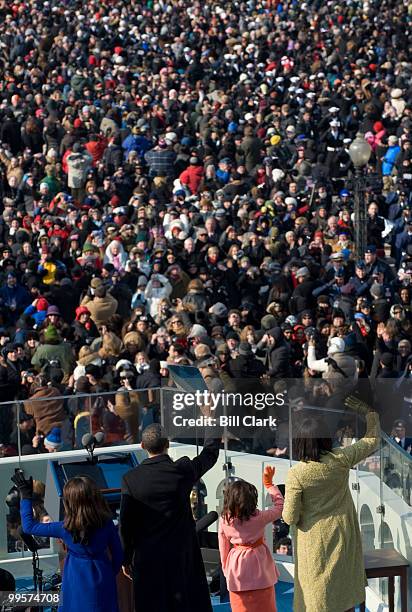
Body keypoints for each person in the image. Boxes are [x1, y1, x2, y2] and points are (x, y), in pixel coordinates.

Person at [282, 396, 380, 612]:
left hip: (313, 544)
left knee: (316, 598)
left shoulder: (296, 474)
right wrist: (369, 412)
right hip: (343, 536)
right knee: (343, 594)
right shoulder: (341, 459)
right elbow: (373, 439)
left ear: (299, 441)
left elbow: (289, 517)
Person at [119, 422, 221, 612]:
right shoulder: (182, 470)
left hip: (148, 557)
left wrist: (125, 559)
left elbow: (126, 524)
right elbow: (210, 453)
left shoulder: (130, 479)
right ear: (168, 444)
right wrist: (210, 420)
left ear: (142, 446)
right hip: (182, 555)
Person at [12, 472, 123, 612]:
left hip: (75, 577)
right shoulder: (107, 524)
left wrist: (26, 496)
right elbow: (118, 555)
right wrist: (108, 573)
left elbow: (29, 527)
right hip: (103, 573)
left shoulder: (64, 528)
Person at [218, 466, 284, 612]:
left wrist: (226, 569)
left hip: (237, 569)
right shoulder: (260, 517)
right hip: (261, 568)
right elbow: (280, 507)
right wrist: (269, 485)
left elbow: (223, 548)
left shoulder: (225, 520)